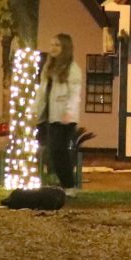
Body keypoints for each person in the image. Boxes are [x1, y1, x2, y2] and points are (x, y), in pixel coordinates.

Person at [38, 33, 84, 189]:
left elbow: (74, 94)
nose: (53, 48)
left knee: (59, 151)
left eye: (57, 45)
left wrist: (69, 112)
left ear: (65, 48)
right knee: (53, 152)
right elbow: (42, 93)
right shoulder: (48, 68)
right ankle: (65, 184)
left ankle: (69, 185)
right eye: (51, 45)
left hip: (64, 118)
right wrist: (35, 112)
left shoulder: (72, 69)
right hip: (50, 117)